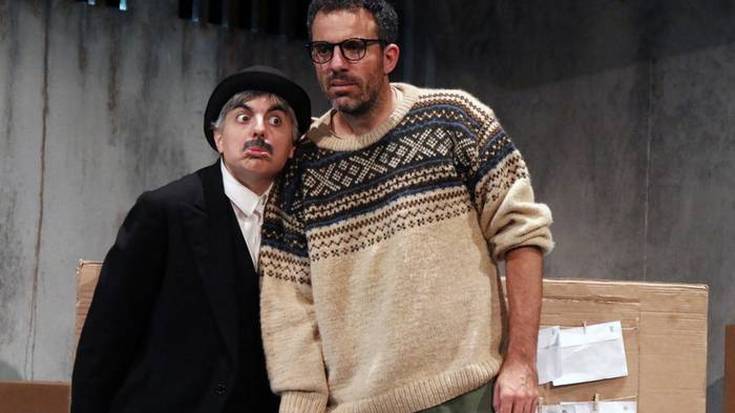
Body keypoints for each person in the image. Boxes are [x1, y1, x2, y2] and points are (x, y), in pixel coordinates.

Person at [258, 1, 554, 413]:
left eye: (354, 47)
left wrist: (522, 362)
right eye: (323, 50)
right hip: (357, 406)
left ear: (389, 56)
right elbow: (289, 306)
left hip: (467, 393)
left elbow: (523, 235)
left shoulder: (455, 120)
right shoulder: (300, 167)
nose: (336, 63)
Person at [71, 65, 311, 413]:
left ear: (292, 146)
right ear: (219, 137)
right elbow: (107, 336)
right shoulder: (164, 211)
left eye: (276, 121)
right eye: (243, 118)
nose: (259, 129)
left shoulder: (307, 222)